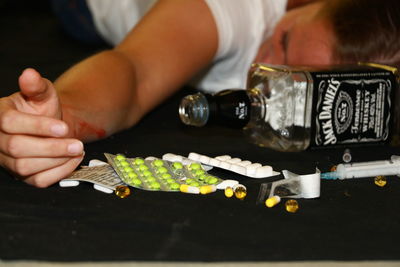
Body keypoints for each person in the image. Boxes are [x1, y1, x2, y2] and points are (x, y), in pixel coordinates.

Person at [0, 0, 399, 188]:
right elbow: (133, 73)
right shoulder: (234, 12)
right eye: (284, 39)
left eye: (295, 82)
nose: (261, 69)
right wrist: (58, 119)